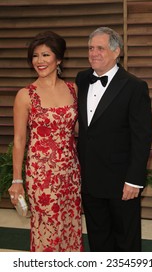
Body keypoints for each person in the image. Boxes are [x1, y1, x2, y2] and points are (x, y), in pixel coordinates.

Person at [75, 26, 152, 252]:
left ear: (116, 51)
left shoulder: (135, 86)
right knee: (98, 239)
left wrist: (134, 180)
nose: (93, 53)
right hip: (90, 179)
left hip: (121, 182)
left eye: (100, 48)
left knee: (126, 241)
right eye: (90, 48)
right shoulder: (81, 79)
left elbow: (142, 137)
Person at [8, 31, 83, 252]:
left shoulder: (73, 89)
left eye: (45, 55)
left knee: (70, 226)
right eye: (35, 56)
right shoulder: (25, 95)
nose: (39, 61)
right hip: (42, 175)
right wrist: (17, 181)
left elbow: (76, 129)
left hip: (71, 172)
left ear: (58, 58)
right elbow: (20, 139)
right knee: (48, 231)